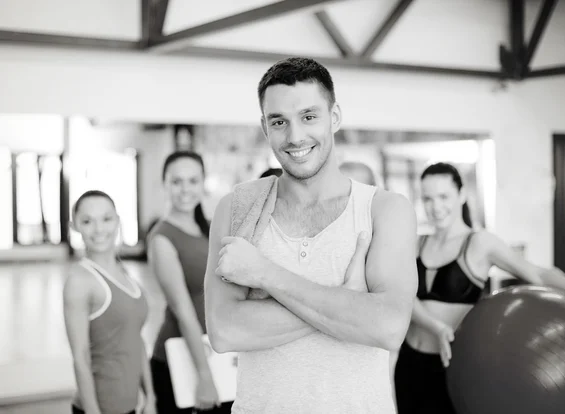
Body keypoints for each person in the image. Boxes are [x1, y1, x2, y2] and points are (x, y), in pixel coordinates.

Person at [204, 57, 418, 414]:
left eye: (309, 117)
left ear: (334, 117)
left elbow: (388, 326)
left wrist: (264, 274)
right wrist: (346, 304)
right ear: (264, 127)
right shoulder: (238, 208)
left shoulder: (384, 210)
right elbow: (225, 331)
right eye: (279, 122)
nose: (295, 137)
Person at [392, 161, 565, 414]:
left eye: (443, 196)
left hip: (453, 368)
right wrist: (437, 327)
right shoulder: (418, 243)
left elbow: (539, 274)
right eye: (427, 199)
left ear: (461, 195)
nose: (435, 207)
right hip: (410, 363)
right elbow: (400, 293)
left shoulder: (480, 243)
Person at [148, 151, 231, 413]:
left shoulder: (209, 226)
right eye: (177, 181)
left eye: (193, 181)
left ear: (203, 183)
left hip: (215, 351)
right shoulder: (162, 239)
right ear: (165, 184)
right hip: (181, 360)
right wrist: (204, 376)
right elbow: (183, 312)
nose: (185, 189)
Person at [63, 190, 154, 414]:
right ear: (74, 226)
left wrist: (151, 396)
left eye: (106, 218)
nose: (99, 229)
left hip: (132, 406)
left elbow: (136, 339)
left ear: (117, 221)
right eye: (87, 221)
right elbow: (80, 357)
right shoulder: (79, 281)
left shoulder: (123, 273)